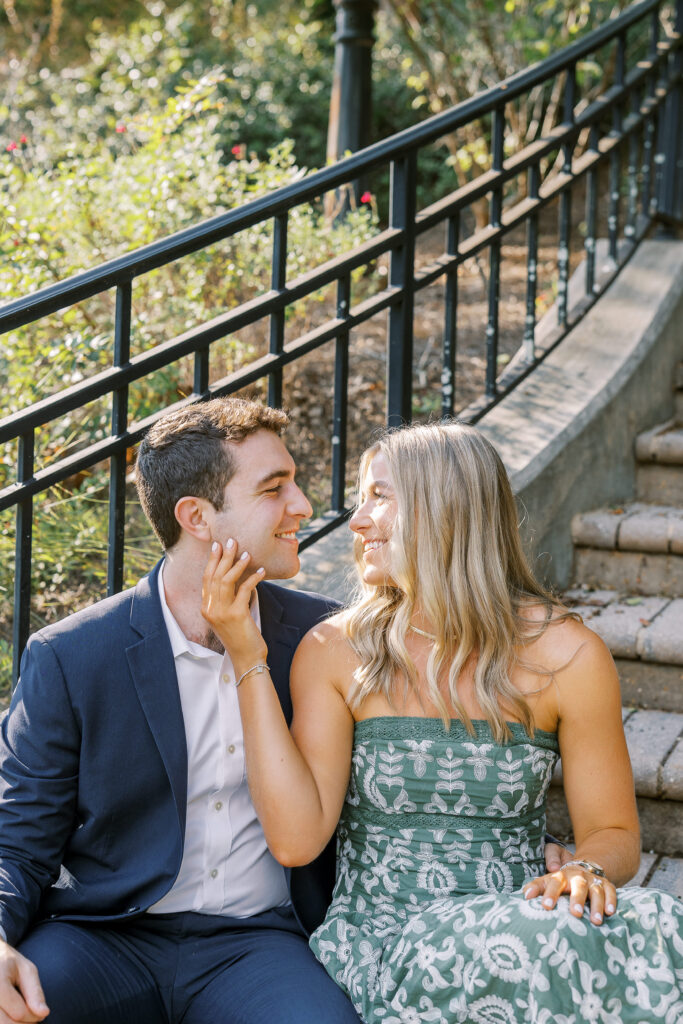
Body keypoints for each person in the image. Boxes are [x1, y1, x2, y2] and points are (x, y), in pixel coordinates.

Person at [202, 420, 683, 1024]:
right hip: (388, 938)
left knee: (661, 922)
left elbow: (614, 832)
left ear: (445, 509)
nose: (356, 521)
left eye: (378, 496)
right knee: (550, 951)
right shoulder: (336, 650)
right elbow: (296, 841)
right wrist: (248, 653)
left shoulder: (569, 656)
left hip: (524, 917)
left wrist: (586, 870)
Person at [0, 398, 364, 1024]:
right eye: (275, 489)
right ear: (196, 516)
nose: (303, 506)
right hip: (104, 936)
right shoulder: (71, 656)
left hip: (261, 944)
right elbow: (17, 838)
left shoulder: (324, 639)